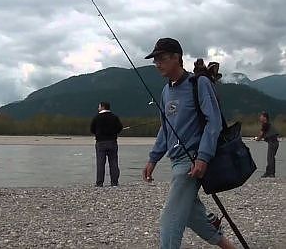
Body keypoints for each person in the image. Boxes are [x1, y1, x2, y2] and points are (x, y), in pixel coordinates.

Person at [142, 38, 236, 249]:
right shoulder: (166, 91)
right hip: (176, 162)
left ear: (177, 57)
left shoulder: (199, 83)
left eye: (162, 58)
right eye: (155, 60)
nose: (157, 63)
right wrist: (153, 158)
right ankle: (228, 246)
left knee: (170, 220)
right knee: (192, 214)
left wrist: (203, 157)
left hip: (192, 161)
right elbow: (165, 129)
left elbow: (214, 122)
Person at [90, 101, 123, 187]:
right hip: (112, 142)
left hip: (100, 143)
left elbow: (92, 129)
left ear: (102, 107)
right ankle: (114, 183)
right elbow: (120, 128)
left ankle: (99, 183)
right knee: (113, 163)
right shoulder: (114, 117)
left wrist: (98, 133)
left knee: (100, 163)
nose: (98, 108)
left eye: (99, 106)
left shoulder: (96, 118)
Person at [254, 111, 279, 178]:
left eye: (261, 117)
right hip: (274, 143)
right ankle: (269, 173)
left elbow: (261, 134)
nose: (260, 118)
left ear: (265, 118)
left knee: (270, 158)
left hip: (273, 143)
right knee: (270, 158)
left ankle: (270, 173)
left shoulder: (265, 124)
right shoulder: (267, 124)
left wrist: (257, 139)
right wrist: (259, 138)